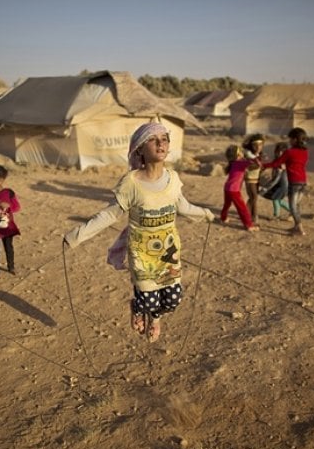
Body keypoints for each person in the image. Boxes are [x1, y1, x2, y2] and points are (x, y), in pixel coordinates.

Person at [64, 122, 214, 343]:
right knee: (148, 300)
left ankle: (155, 319)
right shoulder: (130, 183)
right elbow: (109, 215)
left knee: (172, 300)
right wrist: (76, 236)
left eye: (164, 138)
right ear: (140, 149)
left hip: (169, 254)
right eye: (153, 139)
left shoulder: (172, 179)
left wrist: (206, 214)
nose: (160, 143)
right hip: (142, 255)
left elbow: (183, 207)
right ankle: (138, 308)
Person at [261, 127, 309, 235]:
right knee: (296, 205)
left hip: (294, 182)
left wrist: (263, 166)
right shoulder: (305, 152)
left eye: (291, 139)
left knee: (292, 207)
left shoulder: (289, 152)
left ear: (295, 139)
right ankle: (296, 226)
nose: (289, 141)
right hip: (303, 181)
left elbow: (276, 163)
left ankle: (300, 229)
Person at [220, 144, 259, 231]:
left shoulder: (233, 163)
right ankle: (249, 225)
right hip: (234, 190)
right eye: (240, 152)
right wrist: (253, 156)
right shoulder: (240, 163)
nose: (242, 153)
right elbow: (254, 164)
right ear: (237, 155)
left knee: (227, 205)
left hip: (227, 188)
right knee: (242, 208)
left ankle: (223, 218)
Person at [259, 142, 291, 220]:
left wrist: (267, 187)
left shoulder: (282, 163)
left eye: (282, 152)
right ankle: (292, 211)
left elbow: (276, 178)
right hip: (280, 185)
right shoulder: (279, 161)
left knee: (275, 198)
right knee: (277, 200)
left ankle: (276, 215)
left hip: (283, 185)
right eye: (278, 151)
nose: (279, 153)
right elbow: (272, 165)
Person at [242, 134, 265, 224]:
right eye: (256, 145)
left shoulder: (258, 155)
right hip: (250, 178)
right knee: (254, 197)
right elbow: (249, 166)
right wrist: (258, 164)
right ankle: (253, 216)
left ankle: (247, 214)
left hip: (256, 178)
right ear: (251, 145)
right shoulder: (248, 155)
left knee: (253, 197)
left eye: (260, 145)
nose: (258, 147)